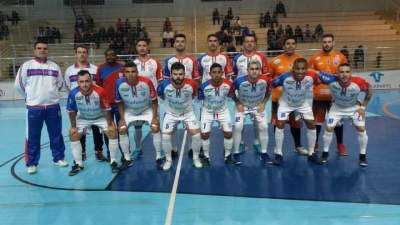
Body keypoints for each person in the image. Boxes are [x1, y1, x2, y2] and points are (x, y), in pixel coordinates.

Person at [14, 40, 68, 174]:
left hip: (53, 107)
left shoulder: (54, 67)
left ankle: (58, 158)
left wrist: (51, 95)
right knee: (33, 136)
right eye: (39, 48)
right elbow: (19, 85)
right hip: (34, 108)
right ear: (34, 50)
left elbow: (60, 85)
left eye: (45, 48)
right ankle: (32, 163)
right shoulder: (27, 66)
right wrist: (30, 98)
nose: (42, 50)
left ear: (47, 51)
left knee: (56, 134)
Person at [316, 63, 372, 166]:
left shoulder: (358, 82)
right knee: (329, 128)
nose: (344, 74)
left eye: (347, 72)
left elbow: (370, 90)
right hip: (337, 108)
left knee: (361, 129)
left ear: (351, 73)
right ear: (336, 73)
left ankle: (362, 156)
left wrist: (363, 108)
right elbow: (314, 72)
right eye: (341, 72)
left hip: (353, 107)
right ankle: (325, 154)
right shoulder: (330, 80)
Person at [67, 70, 120, 176]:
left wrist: (110, 124)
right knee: (73, 134)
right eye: (81, 82)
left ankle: (114, 161)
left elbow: (107, 109)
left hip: (100, 117)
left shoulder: (100, 91)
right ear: (78, 82)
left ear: (91, 81)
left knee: (113, 131)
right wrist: (73, 127)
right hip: (84, 117)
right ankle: (78, 164)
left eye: (87, 81)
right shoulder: (73, 93)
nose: (85, 84)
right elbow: (72, 112)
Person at [271, 58, 319, 165]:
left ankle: (312, 153)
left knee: (311, 124)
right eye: (297, 69)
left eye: (303, 69)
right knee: (280, 124)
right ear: (293, 69)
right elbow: (270, 84)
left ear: (307, 69)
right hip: (285, 104)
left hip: (302, 104)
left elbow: (323, 81)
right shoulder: (284, 77)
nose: (300, 71)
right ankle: (278, 153)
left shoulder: (312, 76)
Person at [115, 62, 163, 169]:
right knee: (122, 129)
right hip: (130, 111)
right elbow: (119, 103)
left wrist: (155, 117)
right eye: (127, 72)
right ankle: (127, 159)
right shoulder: (118, 83)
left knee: (155, 127)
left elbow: (154, 101)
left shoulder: (146, 82)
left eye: (133, 71)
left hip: (146, 109)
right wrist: (122, 119)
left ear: (137, 72)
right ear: (124, 73)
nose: (130, 74)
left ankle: (159, 156)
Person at [308, 34, 348, 155]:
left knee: (338, 121)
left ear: (333, 43)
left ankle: (340, 145)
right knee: (317, 121)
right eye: (324, 42)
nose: (327, 44)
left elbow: (346, 75)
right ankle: (315, 144)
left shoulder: (341, 57)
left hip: (335, 96)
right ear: (322, 43)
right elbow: (309, 74)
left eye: (329, 42)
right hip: (319, 96)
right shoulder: (314, 58)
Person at [157, 62, 202, 170]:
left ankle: (196, 158)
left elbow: (195, 95)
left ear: (184, 74)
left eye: (181, 74)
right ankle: (168, 160)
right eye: (175, 74)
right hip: (171, 114)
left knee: (196, 135)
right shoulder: (163, 85)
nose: (178, 76)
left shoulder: (192, 84)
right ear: (171, 74)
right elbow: (161, 95)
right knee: (166, 136)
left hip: (188, 113)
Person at [64, 45, 105, 162]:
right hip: (78, 105)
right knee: (80, 129)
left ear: (87, 54)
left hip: (94, 105)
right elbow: (68, 87)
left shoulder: (95, 69)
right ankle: (82, 153)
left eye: (84, 52)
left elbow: (99, 86)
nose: (82, 54)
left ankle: (99, 151)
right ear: (75, 54)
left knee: (97, 128)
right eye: (79, 52)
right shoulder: (69, 70)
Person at [163, 33, 201, 158]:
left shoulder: (192, 60)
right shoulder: (168, 61)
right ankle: (173, 149)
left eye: (182, 41)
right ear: (174, 44)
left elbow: (196, 79)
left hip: (187, 97)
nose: (180, 43)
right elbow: (165, 81)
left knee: (191, 127)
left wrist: (191, 94)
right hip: (172, 99)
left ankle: (191, 148)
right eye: (177, 41)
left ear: (185, 44)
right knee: (171, 127)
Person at [269, 36, 308, 155]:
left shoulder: (301, 60)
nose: (290, 46)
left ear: (295, 45)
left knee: (296, 123)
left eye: (293, 43)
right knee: (278, 123)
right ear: (283, 46)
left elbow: (307, 77)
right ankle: (277, 148)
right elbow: (270, 80)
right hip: (278, 99)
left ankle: (298, 146)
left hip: (296, 100)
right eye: (287, 43)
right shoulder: (275, 61)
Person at [232, 34, 269, 152]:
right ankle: (241, 142)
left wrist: (264, 101)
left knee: (258, 122)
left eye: (252, 41)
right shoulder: (236, 58)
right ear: (243, 43)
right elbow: (233, 76)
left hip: (257, 94)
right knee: (240, 123)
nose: (249, 43)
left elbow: (266, 77)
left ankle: (257, 142)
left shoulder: (261, 57)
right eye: (247, 41)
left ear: (255, 43)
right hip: (241, 94)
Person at [232, 60, 271, 164]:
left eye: (257, 69)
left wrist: (263, 103)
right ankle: (236, 154)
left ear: (260, 70)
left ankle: (264, 153)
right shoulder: (239, 81)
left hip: (257, 106)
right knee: (238, 126)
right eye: (252, 69)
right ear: (247, 70)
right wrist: (238, 103)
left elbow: (268, 92)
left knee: (264, 127)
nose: (254, 71)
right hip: (243, 106)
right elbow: (231, 93)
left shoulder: (266, 80)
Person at [131, 38, 163, 158]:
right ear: (136, 48)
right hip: (138, 101)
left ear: (148, 47)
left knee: (155, 125)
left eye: (144, 45)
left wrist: (158, 97)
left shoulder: (155, 63)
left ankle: (159, 151)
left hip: (153, 100)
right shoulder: (133, 64)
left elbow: (160, 82)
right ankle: (138, 148)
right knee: (137, 126)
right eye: (139, 45)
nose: (142, 48)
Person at [199, 63, 235, 166]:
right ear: (210, 74)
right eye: (214, 72)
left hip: (223, 111)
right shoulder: (203, 87)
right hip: (208, 112)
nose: (217, 74)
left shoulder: (229, 84)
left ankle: (228, 156)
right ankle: (206, 157)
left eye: (219, 72)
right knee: (205, 134)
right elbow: (200, 99)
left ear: (222, 73)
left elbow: (231, 95)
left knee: (228, 133)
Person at [94, 48, 125, 161]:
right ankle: (110, 152)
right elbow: (98, 86)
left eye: (112, 54)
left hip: (120, 104)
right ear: (105, 56)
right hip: (107, 106)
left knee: (122, 128)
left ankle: (124, 153)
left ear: (116, 55)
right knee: (109, 130)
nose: (110, 57)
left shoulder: (122, 67)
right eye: (108, 55)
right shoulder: (101, 68)